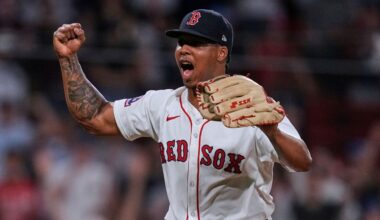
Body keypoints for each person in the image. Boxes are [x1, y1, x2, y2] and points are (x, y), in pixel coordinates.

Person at [53, 9, 312, 220]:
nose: (184, 50)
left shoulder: (248, 103)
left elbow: (302, 161)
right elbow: (94, 117)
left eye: (196, 43)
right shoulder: (163, 104)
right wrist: (68, 59)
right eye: (182, 42)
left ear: (222, 53)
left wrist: (272, 131)